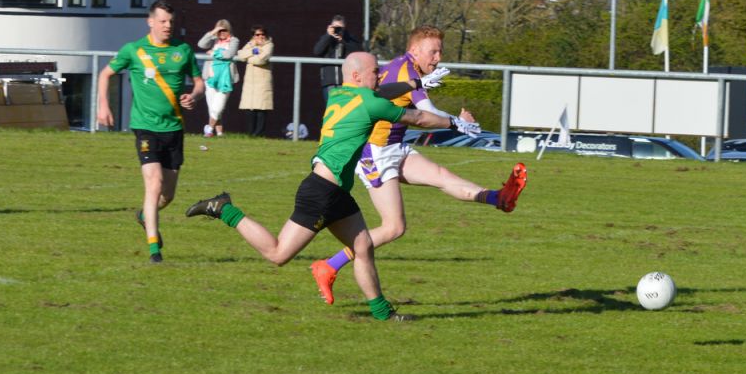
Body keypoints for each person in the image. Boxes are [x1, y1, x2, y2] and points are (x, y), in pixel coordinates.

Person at [183, 52, 450, 321]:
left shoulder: (339, 93)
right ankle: (224, 209)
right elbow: (418, 118)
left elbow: (382, 91)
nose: (379, 75)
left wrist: (416, 84)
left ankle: (382, 313)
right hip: (322, 192)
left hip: (335, 192)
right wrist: (455, 123)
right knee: (278, 254)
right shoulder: (369, 101)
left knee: (363, 247)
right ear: (357, 76)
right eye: (374, 71)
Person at [310, 25, 528, 305]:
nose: (438, 57)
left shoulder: (403, 67)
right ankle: (328, 265)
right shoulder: (406, 69)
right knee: (393, 228)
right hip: (374, 153)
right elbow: (428, 114)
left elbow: (398, 99)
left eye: (440, 51)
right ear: (414, 50)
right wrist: (459, 123)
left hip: (393, 146)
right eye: (433, 51)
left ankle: (501, 198)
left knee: (442, 176)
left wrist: (435, 100)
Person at [96, 0, 204, 263]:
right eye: (163, 21)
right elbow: (105, 74)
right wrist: (103, 104)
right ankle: (154, 249)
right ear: (151, 21)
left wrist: (195, 96)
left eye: (171, 22)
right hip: (145, 128)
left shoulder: (183, 51)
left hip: (174, 129)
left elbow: (199, 82)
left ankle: (145, 216)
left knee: (167, 195)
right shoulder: (134, 50)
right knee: (153, 184)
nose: (168, 26)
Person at [197, 19, 240, 137]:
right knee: (212, 108)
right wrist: (213, 32)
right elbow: (201, 44)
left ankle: (209, 129)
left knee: (218, 107)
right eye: (219, 30)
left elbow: (229, 54)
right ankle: (220, 133)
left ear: (229, 30)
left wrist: (213, 53)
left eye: (224, 30)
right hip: (210, 78)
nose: (222, 33)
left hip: (225, 79)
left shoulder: (234, 40)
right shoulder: (213, 40)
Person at [312, 14, 363, 105]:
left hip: (346, 83)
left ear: (345, 28)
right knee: (331, 110)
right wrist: (328, 36)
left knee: (346, 110)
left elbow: (358, 52)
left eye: (340, 28)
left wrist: (343, 40)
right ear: (331, 27)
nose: (337, 30)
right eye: (335, 27)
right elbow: (317, 51)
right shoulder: (326, 39)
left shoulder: (350, 39)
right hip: (329, 83)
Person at [235, 25, 274, 137]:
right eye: (257, 34)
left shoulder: (269, 45)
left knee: (261, 109)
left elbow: (261, 60)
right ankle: (250, 134)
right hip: (250, 82)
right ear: (253, 36)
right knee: (249, 108)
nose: (260, 37)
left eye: (262, 34)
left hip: (262, 81)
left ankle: (259, 133)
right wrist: (255, 50)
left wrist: (249, 58)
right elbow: (241, 54)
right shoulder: (250, 44)